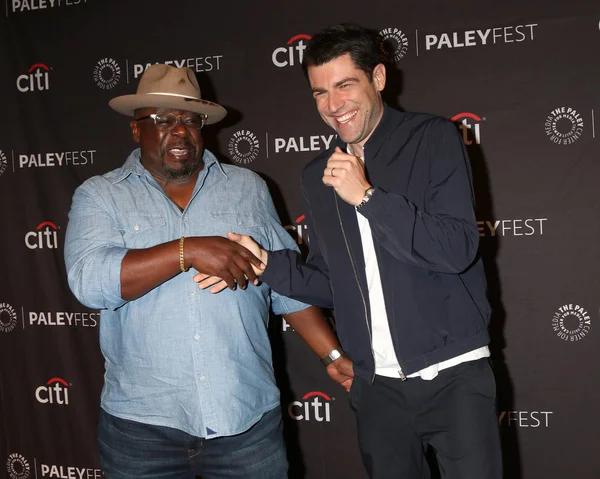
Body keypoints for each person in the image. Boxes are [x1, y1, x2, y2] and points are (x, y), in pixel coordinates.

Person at [197, 24, 502, 479]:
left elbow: (456, 249)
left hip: (453, 377)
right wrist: (262, 264)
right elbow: (327, 281)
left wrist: (367, 197)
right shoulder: (317, 174)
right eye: (320, 92)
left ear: (378, 78)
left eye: (345, 85)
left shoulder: (433, 139)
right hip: (376, 389)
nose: (333, 105)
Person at [64, 64, 352, 479]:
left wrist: (333, 355)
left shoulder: (247, 187)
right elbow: (90, 281)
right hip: (142, 428)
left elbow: (287, 285)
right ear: (135, 129)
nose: (180, 132)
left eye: (190, 120)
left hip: (245, 420)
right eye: (163, 120)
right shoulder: (100, 195)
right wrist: (188, 251)